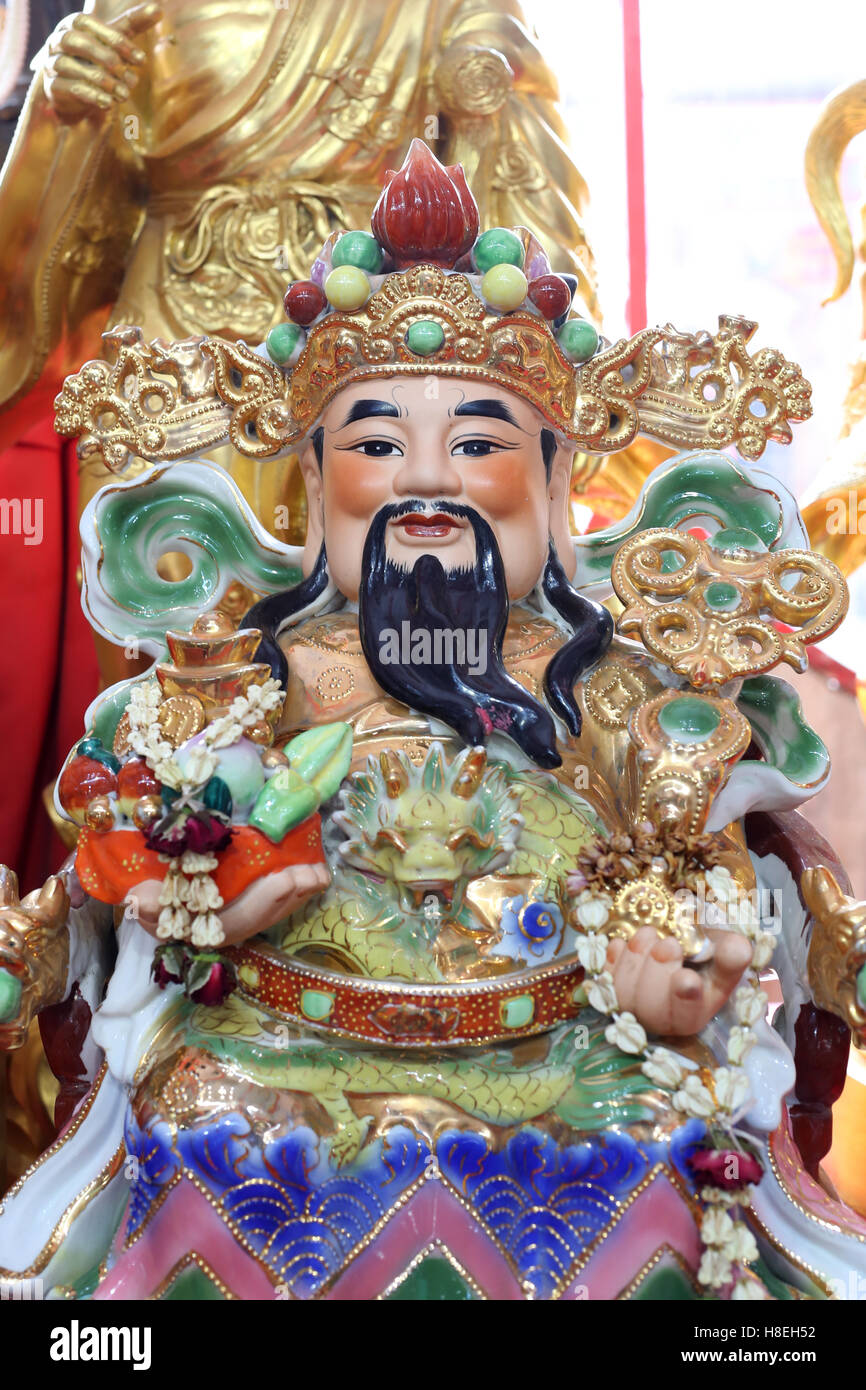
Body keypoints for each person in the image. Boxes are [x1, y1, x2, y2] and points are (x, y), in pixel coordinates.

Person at [0, 141, 862, 1301]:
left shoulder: (604, 684)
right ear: (313, 483)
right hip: (278, 1044)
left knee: (655, 1144)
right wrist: (201, 898)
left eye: (475, 444)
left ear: (553, 486)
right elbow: (130, 854)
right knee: (207, 1131)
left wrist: (676, 968)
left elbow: (693, 876)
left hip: (564, 1049)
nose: (426, 484)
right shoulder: (249, 677)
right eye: (373, 446)